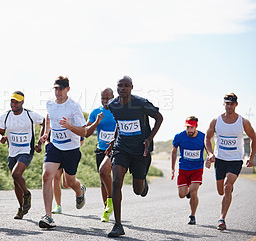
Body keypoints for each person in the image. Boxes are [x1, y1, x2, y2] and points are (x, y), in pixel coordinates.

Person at [106, 76, 163, 237]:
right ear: (116, 88)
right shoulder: (113, 105)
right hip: (121, 148)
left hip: (140, 150)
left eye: (126, 86)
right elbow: (120, 123)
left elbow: (159, 118)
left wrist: (149, 139)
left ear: (131, 87)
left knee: (138, 190)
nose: (123, 88)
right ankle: (118, 225)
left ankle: (143, 184)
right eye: (120, 86)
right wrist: (113, 140)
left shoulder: (141, 103)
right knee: (116, 180)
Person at [38, 76, 87, 228]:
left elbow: (84, 131)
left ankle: (80, 191)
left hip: (71, 149)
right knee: (47, 176)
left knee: (69, 182)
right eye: (55, 88)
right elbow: (49, 117)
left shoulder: (74, 107)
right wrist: (46, 133)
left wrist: (69, 126)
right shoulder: (50, 104)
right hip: (54, 146)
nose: (57, 92)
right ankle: (48, 216)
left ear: (68, 89)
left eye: (60, 89)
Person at [205, 93, 256, 231]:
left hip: (235, 160)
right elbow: (207, 138)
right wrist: (210, 154)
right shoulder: (216, 121)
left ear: (236, 105)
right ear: (224, 104)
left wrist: (251, 157)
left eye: (231, 103)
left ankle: (222, 219)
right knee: (221, 191)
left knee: (228, 186)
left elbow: (253, 137)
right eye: (227, 103)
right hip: (220, 159)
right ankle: (228, 187)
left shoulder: (243, 122)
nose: (229, 106)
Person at [0, 91, 45, 219]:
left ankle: (27, 194)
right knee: (16, 181)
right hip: (12, 152)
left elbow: (45, 123)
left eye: (17, 101)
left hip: (26, 150)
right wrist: (1, 138)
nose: (14, 104)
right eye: (12, 101)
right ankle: (22, 208)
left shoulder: (30, 115)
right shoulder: (5, 116)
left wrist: (40, 142)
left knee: (16, 174)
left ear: (22, 102)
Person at [85, 88, 116, 222]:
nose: (105, 101)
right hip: (101, 149)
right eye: (103, 98)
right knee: (103, 180)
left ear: (113, 97)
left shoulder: (119, 110)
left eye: (108, 98)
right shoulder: (96, 112)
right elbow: (86, 131)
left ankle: (112, 201)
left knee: (114, 178)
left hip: (117, 150)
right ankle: (107, 209)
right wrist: (97, 122)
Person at [171, 116, 206, 225]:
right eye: (187, 127)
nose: (189, 130)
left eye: (191, 128)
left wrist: (210, 158)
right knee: (181, 195)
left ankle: (192, 215)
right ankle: (187, 192)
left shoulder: (203, 137)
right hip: (184, 168)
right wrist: (172, 168)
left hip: (197, 168)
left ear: (196, 126)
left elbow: (208, 149)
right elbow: (174, 151)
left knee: (194, 191)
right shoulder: (179, 136)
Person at [51, 136, 84, 214]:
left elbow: (81, 141)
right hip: (57, 153)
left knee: (66, 184)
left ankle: (80, 188)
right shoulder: (55, 124)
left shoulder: (73, 124)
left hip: (69, 154)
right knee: (56, 179)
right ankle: (58, 205)